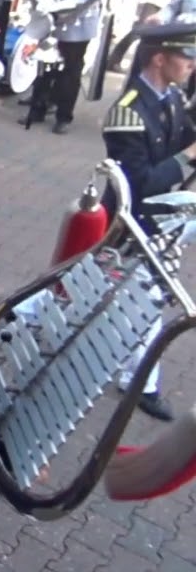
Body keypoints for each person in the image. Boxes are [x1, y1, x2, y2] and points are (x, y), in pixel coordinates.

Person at [101, 22, 196, 422]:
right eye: (187, 57)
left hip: (162, 219)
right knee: (147, 301)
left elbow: (181, 138)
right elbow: (141, 185)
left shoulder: (170, 97)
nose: (193, 65)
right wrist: (189, 155)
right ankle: (141, 381)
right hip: (134, 222)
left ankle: (32, 312)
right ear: (160, 59)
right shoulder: (127, 111)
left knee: (92, 280)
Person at [24, 0, 109, 134]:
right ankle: (37, 109)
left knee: (71, 70)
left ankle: (64, 116)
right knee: (44, 63)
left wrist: (70, 4)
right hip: (52, 18)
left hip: (77, 20)